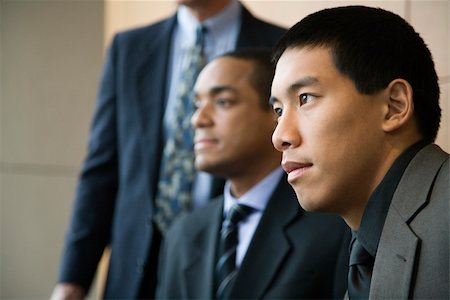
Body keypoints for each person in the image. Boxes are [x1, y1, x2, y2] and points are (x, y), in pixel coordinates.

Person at [51, 0, 286, 299]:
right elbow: (101, 169)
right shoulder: (129, 47)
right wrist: (72, 280)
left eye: (222, 101)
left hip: (231, 254)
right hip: (136, 263)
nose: (198, 119)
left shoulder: (283, 46)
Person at [270, 5, 449, 299]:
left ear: (394, 106)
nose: (280, 136)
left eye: (305, 98)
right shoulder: (362, 249)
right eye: (278, 111)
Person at [156, 48, 350, 299]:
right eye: (196, 105)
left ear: (275, 113)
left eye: (223, 101)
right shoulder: (182, 235)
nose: (198, 119)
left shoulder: (334, 223)